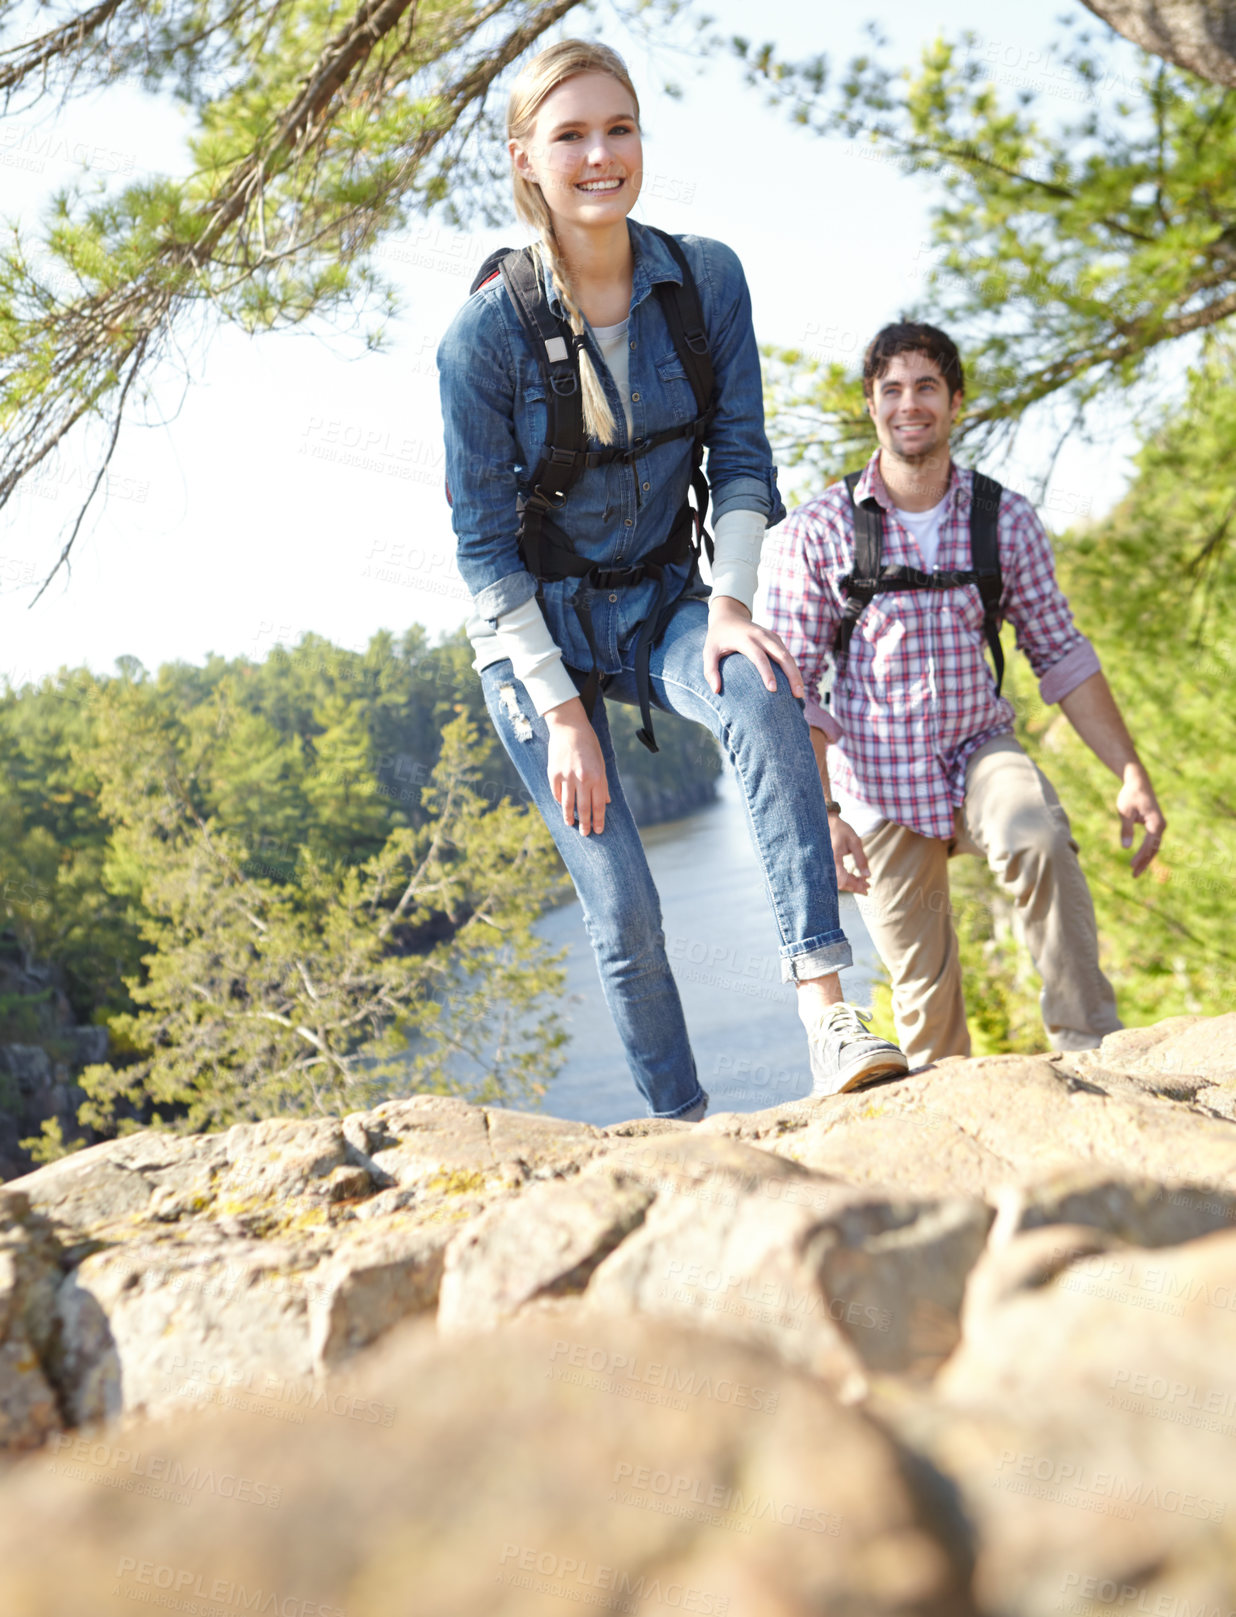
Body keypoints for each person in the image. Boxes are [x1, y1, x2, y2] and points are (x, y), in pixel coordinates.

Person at [437, 39, 907, 1118]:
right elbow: (480, 552)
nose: (600, 155)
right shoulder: (485, 336)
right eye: (571, 136)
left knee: (760, 684)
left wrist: (732, 607)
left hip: (661, 604)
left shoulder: (706, 281)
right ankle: (682, 1123)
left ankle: (827, 1014)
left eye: (620, 129)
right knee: (623, 903)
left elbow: (745, 462)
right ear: (525, 158)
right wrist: (559, 711)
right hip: (536, 640)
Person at [764, 320, 1167, 1069]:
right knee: (925, 1001)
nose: (908, 404)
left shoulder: (1002, 519)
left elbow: (1063, 656)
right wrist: (822, 813)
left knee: (1037, 835)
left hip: (980, 747)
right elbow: (795, 689)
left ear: (955, 402)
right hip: (876, 779)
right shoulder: (819, 531)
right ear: (871, 405)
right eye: (892, 389)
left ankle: (1090, 1049)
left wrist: (1130, 773)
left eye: (926, 387)